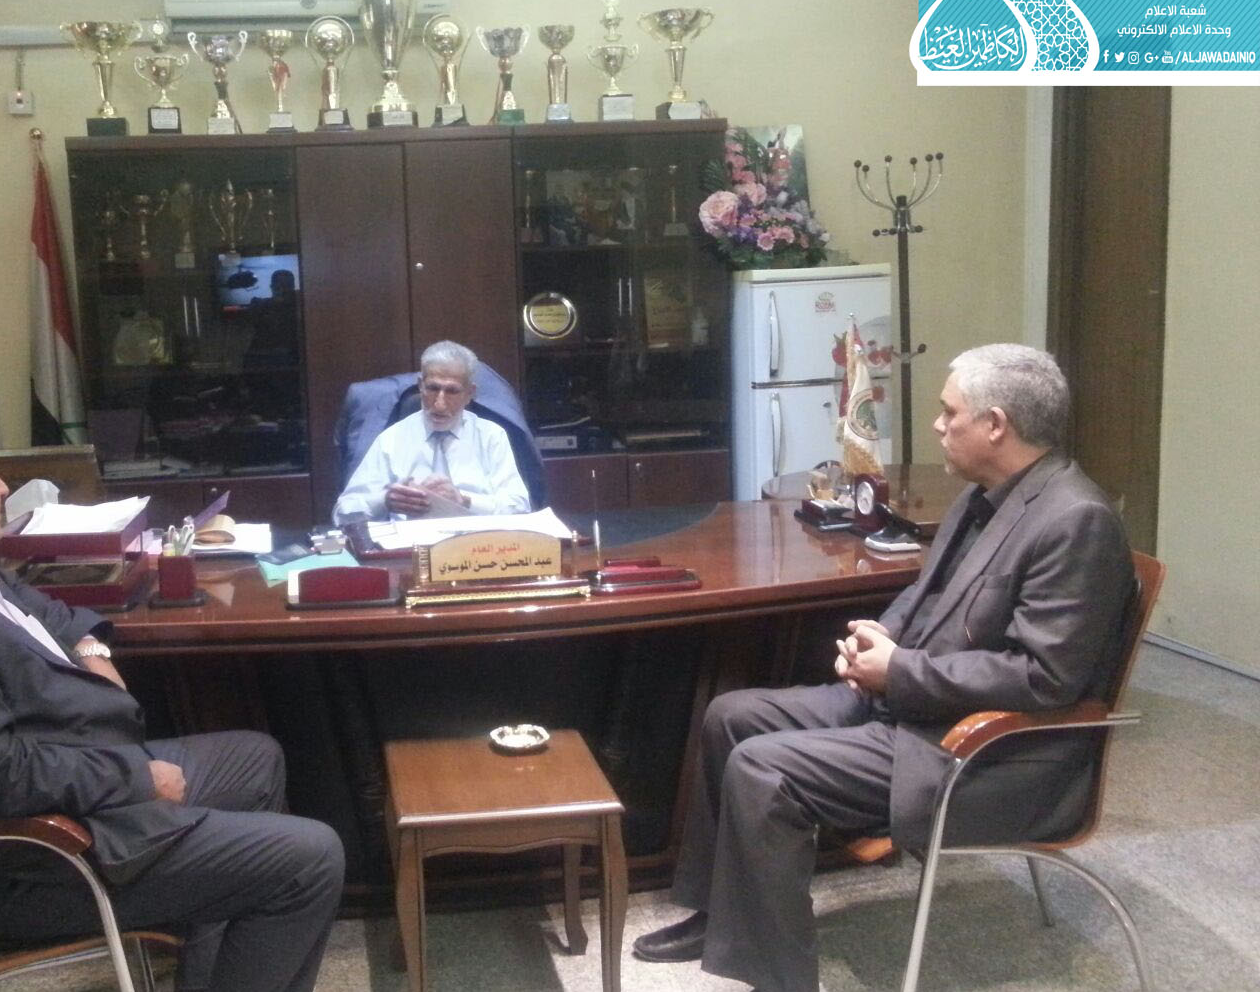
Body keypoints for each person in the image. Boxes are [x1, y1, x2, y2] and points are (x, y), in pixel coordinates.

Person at [632, 344, 1133, 992]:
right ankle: (722, 915)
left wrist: (899, 671)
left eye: (950, 412)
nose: (938, 425)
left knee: (763, 768)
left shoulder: (1075, 520)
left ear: (995, 425)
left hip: (980, 754)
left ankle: (779, 978)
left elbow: (1044, 678)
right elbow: (925, 593)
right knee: (732, 716)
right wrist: (883, 634)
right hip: (918, 709)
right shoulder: (984, 496)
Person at [0, 410, 343, 992]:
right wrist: (136, 778)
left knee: (256, 758)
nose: (3, 488)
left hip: (72, 785)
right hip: (27, 861)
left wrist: (92, 648)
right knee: (310, 859)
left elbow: (47, 611)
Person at [333, 339, 531, 523]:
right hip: (409, 544)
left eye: (452, 391)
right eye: (433, 388)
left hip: (474, 543)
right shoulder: (391, 439)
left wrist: (464, 500)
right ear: (421, 386)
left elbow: (520, 508)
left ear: (470, 393)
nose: (439, 404)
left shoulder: (491, 436)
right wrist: (384, 500)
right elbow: (342, 513)